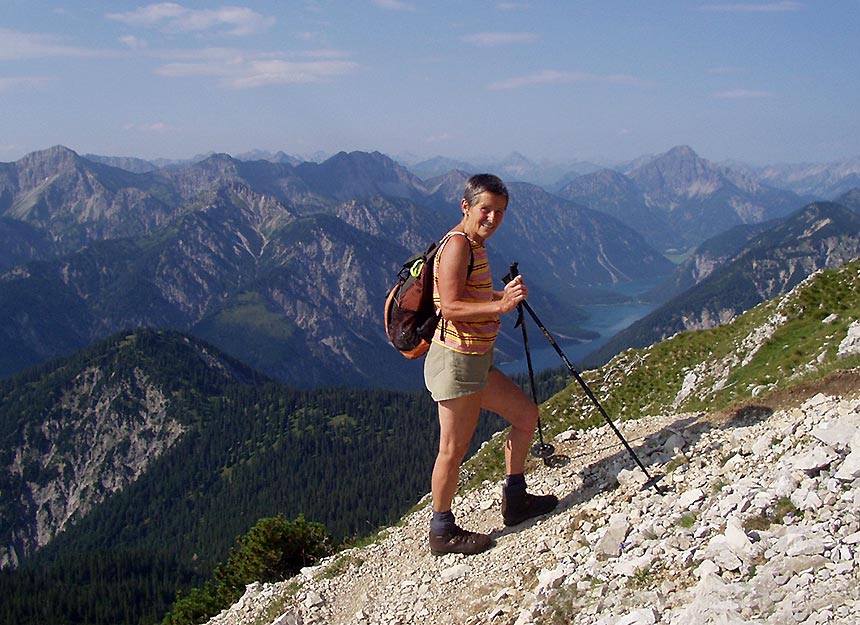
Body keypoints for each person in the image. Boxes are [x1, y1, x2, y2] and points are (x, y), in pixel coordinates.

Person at [424, 173, 558, 556]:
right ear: (466, 206)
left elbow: (470, 294)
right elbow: (447, 306)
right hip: (457, 362)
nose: (493, 218)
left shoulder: (474, 245)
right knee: (452, 448)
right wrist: (499, 306)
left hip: (477, 360)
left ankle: (515, 500)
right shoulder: (458, 247)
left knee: (526, 415)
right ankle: (442, 531)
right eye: (486, 209)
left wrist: (503, 295)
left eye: (500, 212)